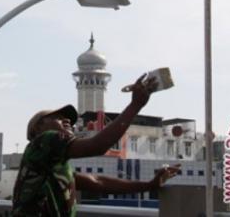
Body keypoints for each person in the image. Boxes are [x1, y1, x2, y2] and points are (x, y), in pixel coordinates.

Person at [12, 74, 180, 216]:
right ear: (38, 127)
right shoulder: (44, 140)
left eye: (69, 119)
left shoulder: (53, 166)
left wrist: (150, 185)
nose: (67, 121)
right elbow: (98, 146)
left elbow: (99, 182)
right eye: (58, 116)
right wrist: (136, 105)